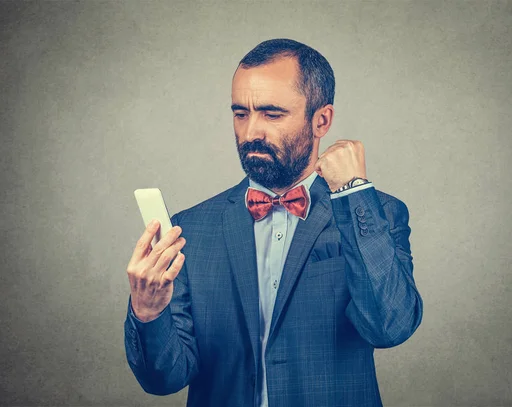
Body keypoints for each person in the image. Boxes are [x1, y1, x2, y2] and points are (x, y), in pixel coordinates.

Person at [124, 38, 423, 407]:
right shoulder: (189, 230)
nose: (251, 132)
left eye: (271, 114)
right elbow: (164, 379)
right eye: (240, 113)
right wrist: (147, 311)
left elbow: (389, 326)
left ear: (321, 120)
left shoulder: (378, 214)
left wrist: (354, 192)